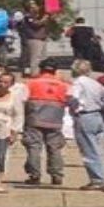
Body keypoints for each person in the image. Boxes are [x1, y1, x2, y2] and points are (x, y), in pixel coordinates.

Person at [69, 59, 104, 192]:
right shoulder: (94, 83)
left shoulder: (77, 83)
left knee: (88, 150)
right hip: (97, 115)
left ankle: (98, 180)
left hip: (84, 116)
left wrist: (75, 107)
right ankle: (102, 177)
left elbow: (73, 97)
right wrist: (103, 105)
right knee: (97, 148)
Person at [22, 58, 71, 186]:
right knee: (54, 148)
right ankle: (56, 175)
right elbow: (70, 100)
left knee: (34, 147)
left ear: (40, 69)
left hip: (34, 119)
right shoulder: (64, 85)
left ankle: (34, 175)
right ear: (55, 71)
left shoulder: (31, 83)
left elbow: (22, 99)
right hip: (55, 120)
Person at [20, 0, 51, 76]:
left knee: (42, 57)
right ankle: (34, 73)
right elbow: (35, 25)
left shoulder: (37, 16)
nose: (36, 7)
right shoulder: (28, 16)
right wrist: (44, 19)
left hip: (42, 38)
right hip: (34, 38)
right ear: (29, 8)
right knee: (35, 57)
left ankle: (41, 72)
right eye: (33, 5)